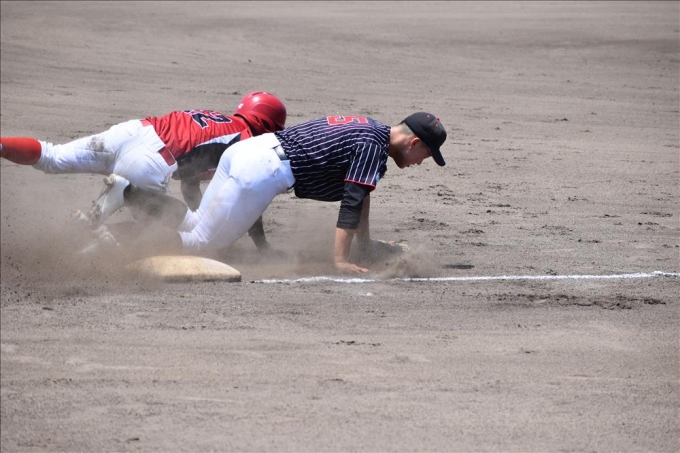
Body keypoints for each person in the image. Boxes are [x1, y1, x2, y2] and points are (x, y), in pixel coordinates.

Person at [128, 111, 447, 274]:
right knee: (202, 242)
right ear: (414, 142)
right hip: (263, 170)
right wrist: (340, 260)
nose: (422, 162)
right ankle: (120, 243)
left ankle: (126, 193)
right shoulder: (372, 147)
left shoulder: (369, 128)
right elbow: (351, 202)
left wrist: (363, 245)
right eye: (426, 154)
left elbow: (362, 195)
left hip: (248, 151)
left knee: (197, 220)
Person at [0, 91, 286, 250]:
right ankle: (90, 235)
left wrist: (198, 212)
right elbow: (248, 194)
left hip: (131, 132)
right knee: (154, 235)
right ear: (268, 126)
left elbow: (189, 184)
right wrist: (261, 246)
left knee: (52, 155)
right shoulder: (246, 142)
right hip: (151, 162)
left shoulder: (218, 121)